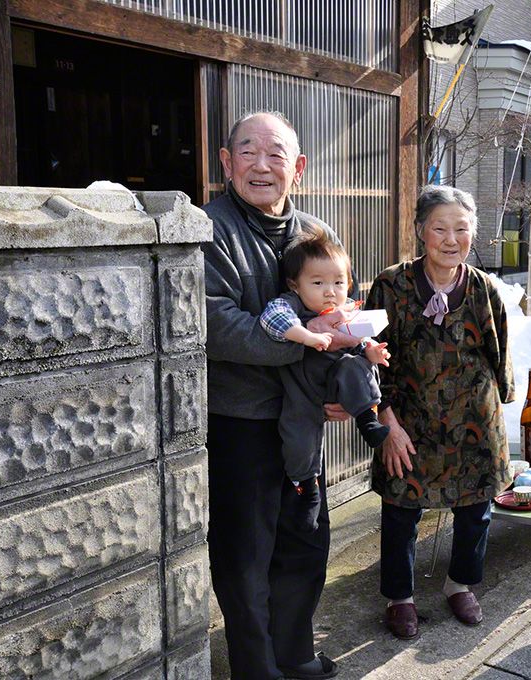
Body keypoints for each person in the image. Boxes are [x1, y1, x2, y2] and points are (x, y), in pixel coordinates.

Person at [202, 111, 352, 680]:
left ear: (300, 168)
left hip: (301, 421)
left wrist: (341, 374)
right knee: (246, 557)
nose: (261, 165)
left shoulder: (315, 232)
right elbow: (217, 325)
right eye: (247, 151)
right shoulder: (208, 228)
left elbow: (343, 306)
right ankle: (257, 667)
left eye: (276, 154)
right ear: (226, 162)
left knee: (306, 540)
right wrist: (314, 345)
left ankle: (295, 653)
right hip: (240, 423)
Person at [364, 185, 514, 640]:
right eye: (440, 228)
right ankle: (399, 598)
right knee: (401, 508)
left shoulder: (484, 288)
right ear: (420, 232)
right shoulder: (391, 285)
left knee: (476, 507)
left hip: (475, 417)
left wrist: (503, 401)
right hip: (409, 421)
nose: (452, 239)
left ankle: (460, 583)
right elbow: (368, 362)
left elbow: (498, 350)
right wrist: (386, 424)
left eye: (462, 229)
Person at [258, 230, 391, 531]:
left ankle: (367, 422)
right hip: (302, 390)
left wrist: (371, 352)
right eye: (318, 283)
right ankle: (308, 490)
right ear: (295, 284)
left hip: (336, 382)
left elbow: (361, 341)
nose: (330, 291)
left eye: (338, 283)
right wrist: (308, 336)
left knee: (354, 368)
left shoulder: (347, 312)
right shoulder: (291, 303)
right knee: (298, 438)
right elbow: (271, 319)